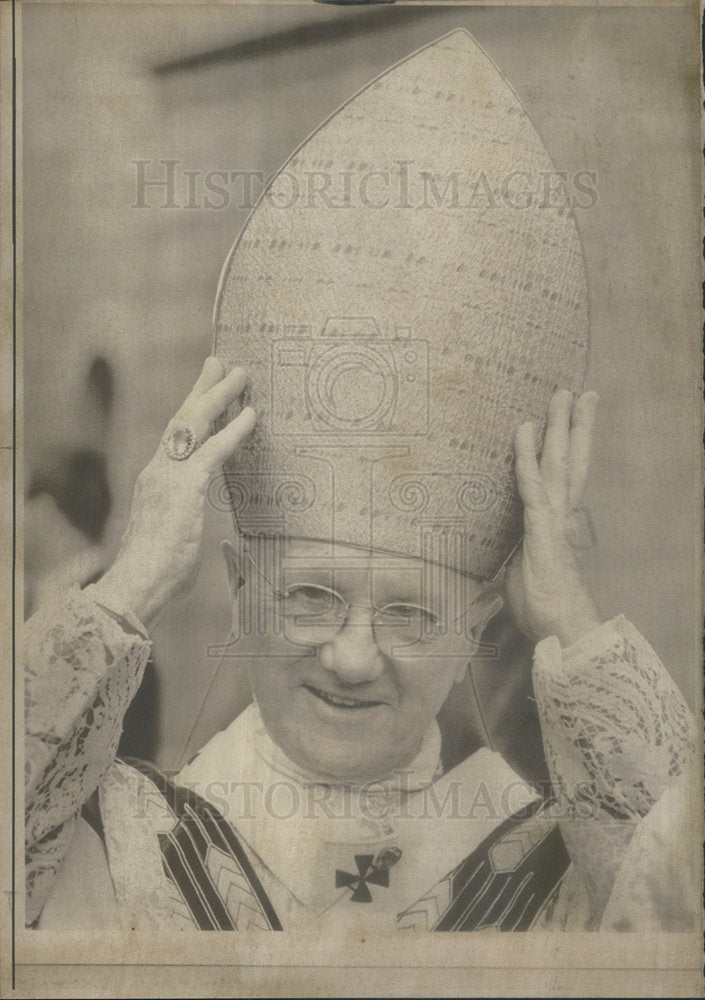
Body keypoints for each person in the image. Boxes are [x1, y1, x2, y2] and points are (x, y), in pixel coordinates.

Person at [25, 28, 696, 933]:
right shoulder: (117, 847)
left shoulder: (556, 876)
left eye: (413, 615)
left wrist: (573, 626)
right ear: (236, 587)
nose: (350, 656)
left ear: (478, 625)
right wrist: (131, 583)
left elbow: (679, 912)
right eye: (307, 596)